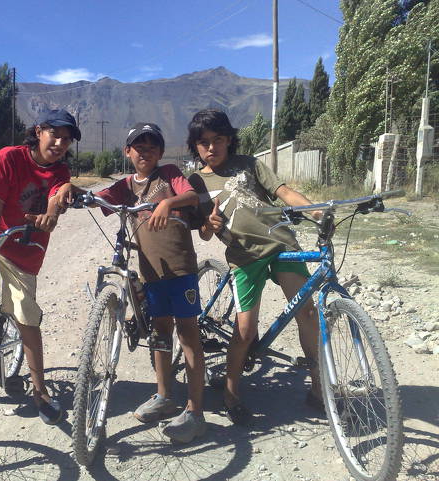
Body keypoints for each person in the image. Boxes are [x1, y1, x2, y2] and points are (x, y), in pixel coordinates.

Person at [62, 123, 207, 443]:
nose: (145, 151)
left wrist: (168, 203)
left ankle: (196, 412)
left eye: (152, 145)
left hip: (180, 268)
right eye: (138, 146)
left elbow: (191, 195)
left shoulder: (168, 173)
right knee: (159, 332)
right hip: (151, 273)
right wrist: (73, 191)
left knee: (188, 335)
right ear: (127, 152)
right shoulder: (126, 184)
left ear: (160, 151)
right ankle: (164, 395)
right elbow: (100, 197)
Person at [186, 108, 323, 425]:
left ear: (229, 139)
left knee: (308, 313)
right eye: (203, 142)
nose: (211, 147)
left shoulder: (249, 164)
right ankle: (231, 393)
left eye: (218, 139)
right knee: (245, 331)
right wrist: (210, 223)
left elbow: (284, 192)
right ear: (195, 146)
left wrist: (316, 212)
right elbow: (204, 232)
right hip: (245, 255)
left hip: (282, 244)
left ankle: (318, 389)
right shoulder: (195, 182)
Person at [0, 109, 81, 425]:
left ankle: (40, 392)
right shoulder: (7, 159)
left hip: (25, 251)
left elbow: (56, 200)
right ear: (39, 131)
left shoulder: (60, 172)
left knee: (26, 315)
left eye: (66, 139)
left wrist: (53, 213)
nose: (59, 142)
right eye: (54, 134)